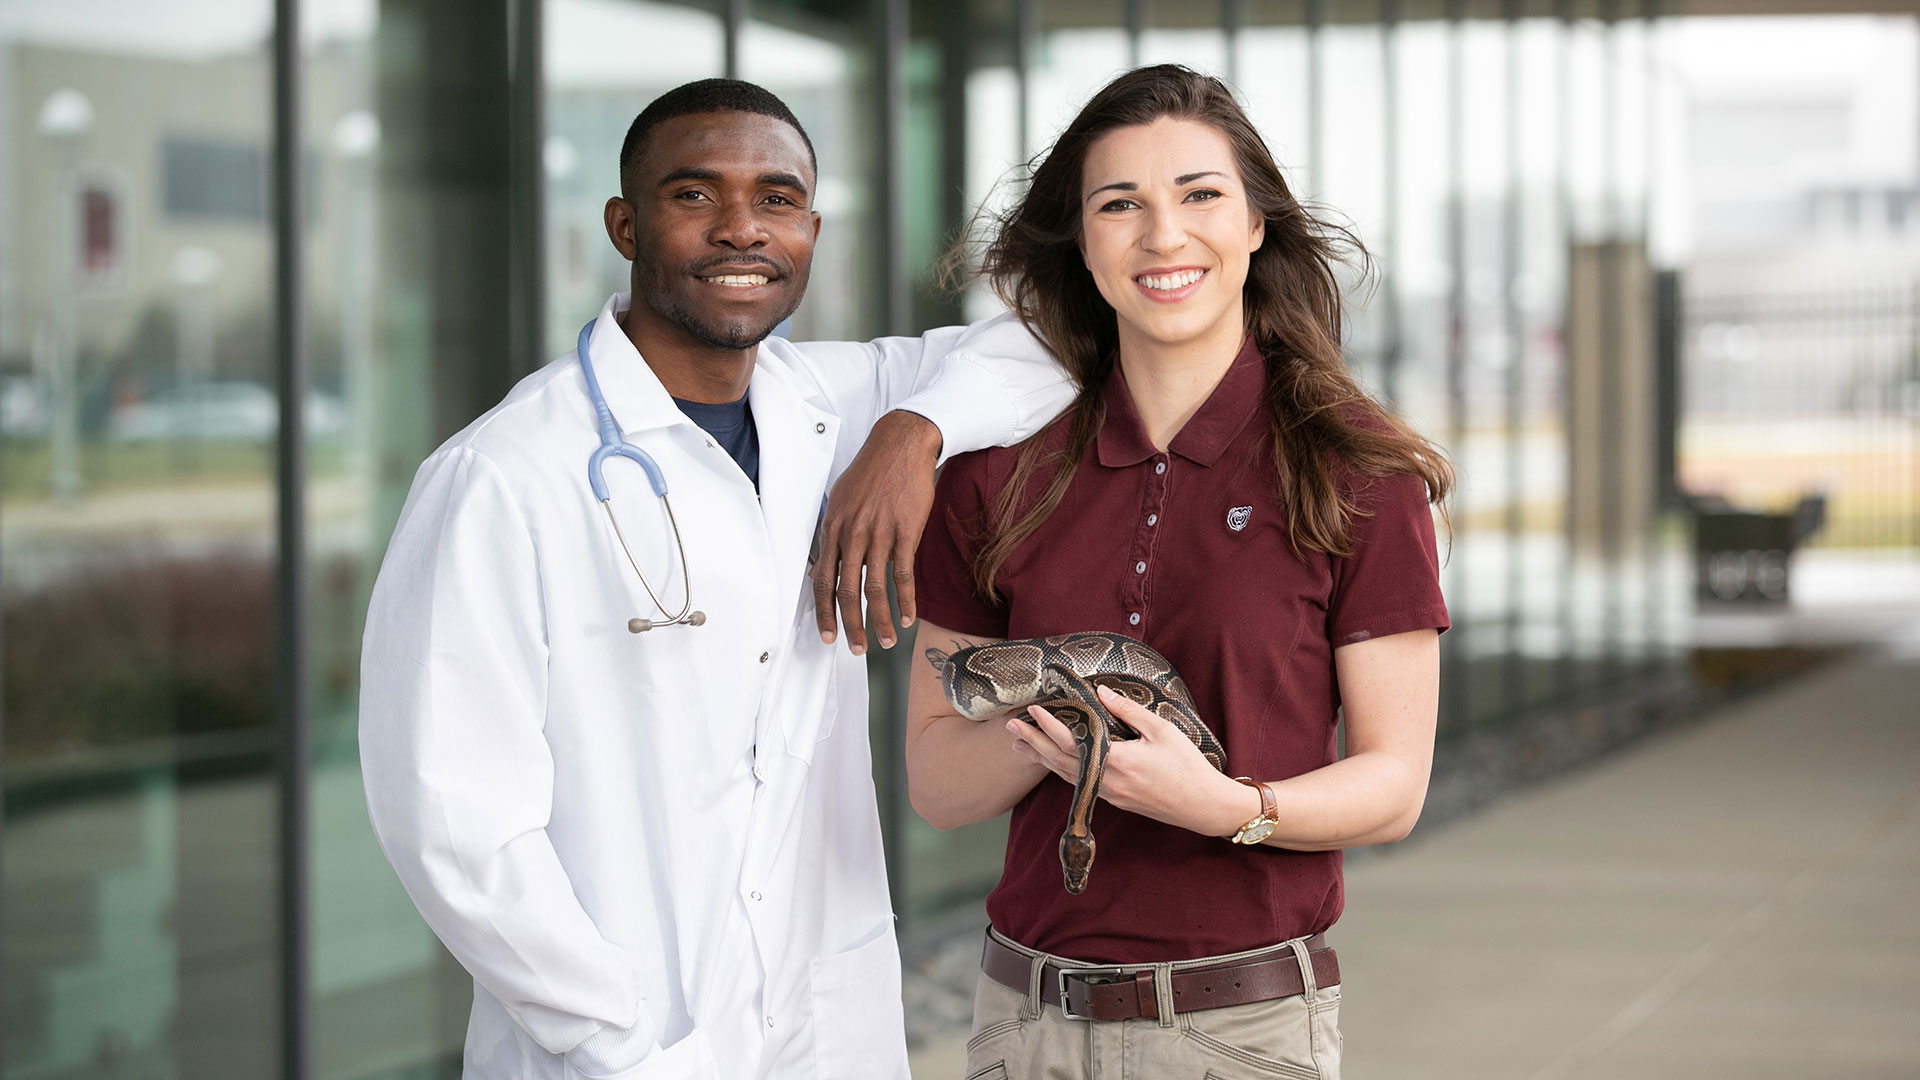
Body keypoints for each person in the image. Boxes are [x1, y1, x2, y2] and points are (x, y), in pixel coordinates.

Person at [359, 79, 1071, 1080]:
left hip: (826, 1027)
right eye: (695, 196)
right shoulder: (503, 476)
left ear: (814, 231)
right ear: (624, 223)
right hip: (625, 1049)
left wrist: (916, 431)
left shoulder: (834, 405)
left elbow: (1057, 348)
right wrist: (618, 1038)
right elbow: (453, 825)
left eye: (777, 200)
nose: (743, 229)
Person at [905, 65, 1454, 1079]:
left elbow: (1394, 785)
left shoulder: (1357, 473)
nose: (1164, 237)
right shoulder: (995, 473)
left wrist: (1225, 805)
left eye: (1200, 195)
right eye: (1121, 204)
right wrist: (1068, 719)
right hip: (1017, 1025)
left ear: (1255, 223)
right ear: (1082, 237)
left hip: (1237, 1032)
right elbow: (938, 780)